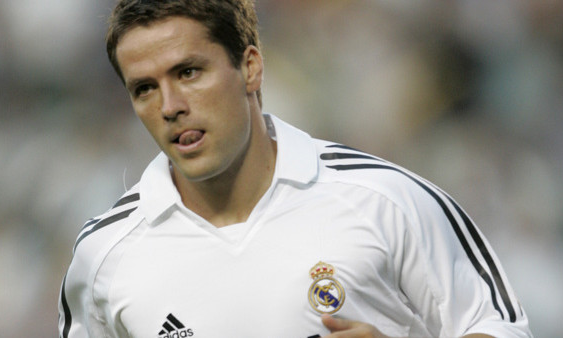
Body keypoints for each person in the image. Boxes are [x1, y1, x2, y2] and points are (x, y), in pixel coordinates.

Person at [58, 1, 533, 337]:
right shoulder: (105, 256)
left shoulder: (386, 200)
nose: (169, 106)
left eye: (188, 72)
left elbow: (501, 328)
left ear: (250, 68)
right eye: (144, 88)